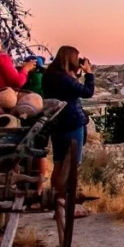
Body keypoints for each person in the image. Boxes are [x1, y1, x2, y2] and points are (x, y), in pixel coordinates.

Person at [42, 46, 95, 220]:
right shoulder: (66, 79)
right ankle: (65, 203)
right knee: (72, 166)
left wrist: (77, 72)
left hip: (56, 124)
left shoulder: (49, 76)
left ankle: (57, 201)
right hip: (72, 123)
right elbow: (88, 92)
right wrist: (88, 73)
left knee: (58, 163)